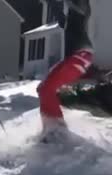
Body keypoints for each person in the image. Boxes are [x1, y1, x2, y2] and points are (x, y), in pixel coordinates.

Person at [39, 0, 93, 139]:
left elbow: (74, 5)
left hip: (81, 55)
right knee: (42, 88)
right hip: (74, 57)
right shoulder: (70, 18)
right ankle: (48, 128)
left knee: (47, 89)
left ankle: (58, 130)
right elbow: (61, 18)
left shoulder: (83, 6)